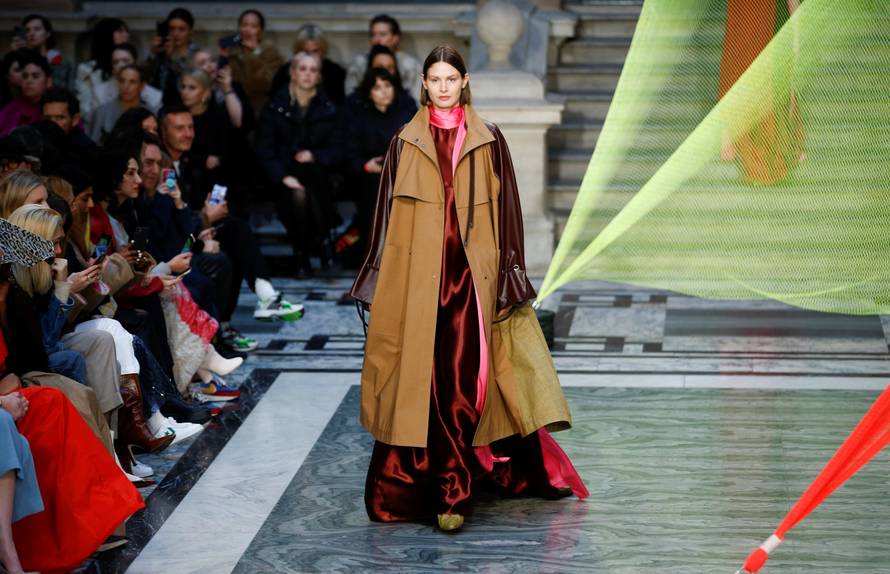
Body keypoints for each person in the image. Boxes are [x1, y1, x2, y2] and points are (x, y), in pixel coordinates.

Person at [351, 46, 587, 531]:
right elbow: (383, 220)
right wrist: (375, 276)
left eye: (450, 78)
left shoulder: (488, 138)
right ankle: (429, 485)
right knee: (420, 381)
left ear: (464, 81)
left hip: (470, 279)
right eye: (434, 78)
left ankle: (454, 491)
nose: (442, 87)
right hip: (419, 281)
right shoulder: (405, 141)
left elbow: (510, 213)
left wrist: (511, 273)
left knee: (465, 383)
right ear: (422, 83)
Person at [256, 51, 342, 274]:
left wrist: (315, 156)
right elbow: (265, 149)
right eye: (302, 69)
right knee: (298, 190)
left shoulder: (329, 108)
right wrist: (284, 177)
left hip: (320, 175)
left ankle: (301, 253)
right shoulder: (275, 106)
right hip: (282, 174)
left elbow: (338, 148)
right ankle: (325, 244)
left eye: (313, 70)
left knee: (306, 179)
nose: (307, 74)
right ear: (292, 73)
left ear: (319, 77)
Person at [343, 67, 416, 260]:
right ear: (369, 92)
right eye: (377, 87)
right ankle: (375, 257)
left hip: (404, 171)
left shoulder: (407, 109)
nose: (384, 91)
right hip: (369, 175)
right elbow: (349, 151)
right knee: (374, 194)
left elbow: (419, 144)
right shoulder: (359, 115)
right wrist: (365, 165)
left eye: (387, 85)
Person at [345, 15, 421, 102]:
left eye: (382, 34)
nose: (376, 39)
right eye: (373, 35)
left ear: (395, 38)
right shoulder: (360, 63)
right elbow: (350, 95)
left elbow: (417, 98)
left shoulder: (409, 64)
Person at [225, 9, 283, 115]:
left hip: (262, 110)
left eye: (253, 26)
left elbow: (269, 84)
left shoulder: (271, 53)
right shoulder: (231, 52)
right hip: (234, 109)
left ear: (260, 31)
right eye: (244, 25)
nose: (248, 30)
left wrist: (254, 55)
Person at [271, 24, 346, 105]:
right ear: (297, 51)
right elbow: (275, 103)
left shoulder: (335, 72)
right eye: (306, 52)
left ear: (323, 51)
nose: (310, 56)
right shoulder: (284, 72)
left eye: (315, 51)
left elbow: (339, 104)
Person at [87, 64, 157, 144]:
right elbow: (93, 143)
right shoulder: (102, 112)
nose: (126, 86)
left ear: (142, 85)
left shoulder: (150, 113)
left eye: (132, 82)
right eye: (122, 81)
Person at [75, 17, 130, 117]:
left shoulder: (130, 65)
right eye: (120, 31)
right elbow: (85, 106)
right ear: (107, 34)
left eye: (126, 31)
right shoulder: (87, 69)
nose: (126, 35)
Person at [147, 8, 198, 107]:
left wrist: (172, 58)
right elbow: (144, 79)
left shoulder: (197, 55)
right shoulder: (161, 51)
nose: (176, 34)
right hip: (159, 107)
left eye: (181, 29)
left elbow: (189, 82)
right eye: (172, 28)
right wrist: (153, 54)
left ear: (190, 31)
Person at [12, 15, 73, 90]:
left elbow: (59, 85)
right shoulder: (21, 57)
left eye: (37, 29)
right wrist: (15, 55)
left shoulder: (56, 58)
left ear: (47, 33)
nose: (32, 33)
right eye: (27, 30)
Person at [0, 51, 52, 137]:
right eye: (25, 76)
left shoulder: (59, 108)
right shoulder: (11, 109)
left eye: (35, 76)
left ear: (48, 81)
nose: (29, 81)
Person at [41, 87, 96, 161]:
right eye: (47, 118)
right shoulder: (39, 141)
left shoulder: (86, 151)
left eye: (60, 118)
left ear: (75, 120)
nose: (52, 123)